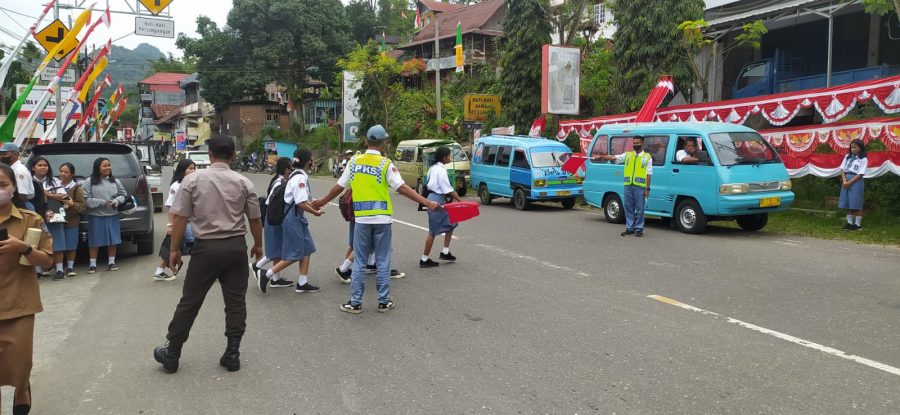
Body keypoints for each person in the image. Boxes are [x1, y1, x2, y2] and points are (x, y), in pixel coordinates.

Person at [153, 135, 263, 374]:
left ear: (210, 155)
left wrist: (174, 249)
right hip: (235, 247)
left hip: (206, 249)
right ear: (233, 156)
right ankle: (232, 353)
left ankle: (172, 352)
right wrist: (258, 245)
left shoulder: (193, 180)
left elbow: (180, 218)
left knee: (190, 301)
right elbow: (255, 218)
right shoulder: (244, 182)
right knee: (235, 302)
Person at [313, 125, 439, 314]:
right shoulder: (386, 164)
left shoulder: (353, 162)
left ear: (366, 141)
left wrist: (322, 201)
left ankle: (355, 303)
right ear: (384, 142)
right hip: (382, 220)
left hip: (362, 220)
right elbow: (402, 188)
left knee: (359, 261)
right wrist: (427, 202)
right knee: (382, 261)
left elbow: (339, 187)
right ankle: (383, 301)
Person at [0, 163, 54, 415]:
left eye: (3, 184)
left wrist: (23, 247)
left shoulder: (31, 220)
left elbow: (47, 260)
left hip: (18, 305)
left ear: (14, 187)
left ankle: (22, 390)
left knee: (19, 369)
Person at [257, 149, 321, 294]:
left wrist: (313, 204)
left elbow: (300, 199)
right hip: (293, 217)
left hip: (295, 216)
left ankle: (302, 283)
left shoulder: (295, 175)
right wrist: (315, 212)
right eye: (311, 159)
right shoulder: (300, 178)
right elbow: (300, 202)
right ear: (307, 162)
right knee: (296, 252)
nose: (313, 161)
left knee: (307, 248)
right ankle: (266, 274)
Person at [593, 136, 653, 237]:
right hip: (628, 186)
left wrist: (647, 189)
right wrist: (602, 157)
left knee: (640, 209)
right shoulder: (628, 155)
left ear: (642, 144)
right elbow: (614, 157)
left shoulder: (647, 157)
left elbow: (649, 174)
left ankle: (639, 229)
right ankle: (630, 228)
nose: (635, 145)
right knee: (628, 207)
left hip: (640, 187)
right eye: (634, 143)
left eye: (637, 143)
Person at [252, 157, 295, 290]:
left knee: (277, 249)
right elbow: (270, 202)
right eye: (290, 168)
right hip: (274, 218)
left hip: (273, 218)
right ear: (285, 169)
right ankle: (258, 267)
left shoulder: (279, 180)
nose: (291, 170)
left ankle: (275, 279)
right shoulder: (280, 182)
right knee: (277, 249)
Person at [82, 158, 127, 273]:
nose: (107, 168)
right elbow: (85, 199)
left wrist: (117, 201)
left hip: (112, 214)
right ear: (97, 167)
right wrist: (101, 202)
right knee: (94, 241)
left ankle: (111, 262)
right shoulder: (89, 181)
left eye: (109, 165)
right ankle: (92, 264)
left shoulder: (115, 181)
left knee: (113, 240)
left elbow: (123, 195)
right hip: (96, 215)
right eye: (104, 166)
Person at [154, 159, 197, 281]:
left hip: (191, 221)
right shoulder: (177, 186)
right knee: (193, 245)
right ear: (182, 170)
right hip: (182, 223)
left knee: (176, 246)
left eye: (194, 168)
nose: (193, 171)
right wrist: (170, 225)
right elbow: (171, 207)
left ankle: (160, 271)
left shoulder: (193, 184)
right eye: (190, 168)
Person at [420, 146, 462, 268]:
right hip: (436, 199)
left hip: (432, 197)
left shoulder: (432, 168)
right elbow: (448, 189)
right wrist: (461, 200)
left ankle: (445, 251)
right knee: (433, 231)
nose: (450, 157)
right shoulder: (441, 170)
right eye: (449, 156)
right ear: (444, 158)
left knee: (452, 222)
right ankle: (424, 259)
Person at [30, 157, 68, 280]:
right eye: (40, 165)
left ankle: (59, 269)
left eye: (45, 165)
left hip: (53, 213)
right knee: (36, 241)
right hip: (36, 214)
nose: (43, 167)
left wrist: (47, 194)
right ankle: (38, 270)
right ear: (33, 167)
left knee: (57, 240)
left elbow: (64, 196)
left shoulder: (54, 181)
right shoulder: (29, 180)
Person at [57, 163, 85, 278]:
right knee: (58, 245)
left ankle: (70, 267)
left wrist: (72, 204)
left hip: (71, 220)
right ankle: (58, 268)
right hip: (56, 220)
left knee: (71, 245)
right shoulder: (54, 185)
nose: (63, 174)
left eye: (66, 172)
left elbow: (82, 206)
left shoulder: (76, 188)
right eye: (61, 171)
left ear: (72, 174)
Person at [839, 139, 868, 231]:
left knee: (857, 202)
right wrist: (845, 181)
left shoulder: (863, 159)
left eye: (855, 147)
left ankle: (857, 225)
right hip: (846, 179)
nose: (853, 149)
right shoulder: (847, 156)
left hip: (856, 181)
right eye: (852, 147)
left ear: (860, 148)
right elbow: (842, 169)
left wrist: (849, 183)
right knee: (847, 202)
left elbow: (860, 174)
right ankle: (849, 223)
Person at [0, 143, 35, 210]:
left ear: (15, 155)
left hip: (21, 206)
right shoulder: (10, 169)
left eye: (4, 154)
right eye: (0, 154)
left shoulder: (19, 171)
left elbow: (23, 194)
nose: (1, 157)